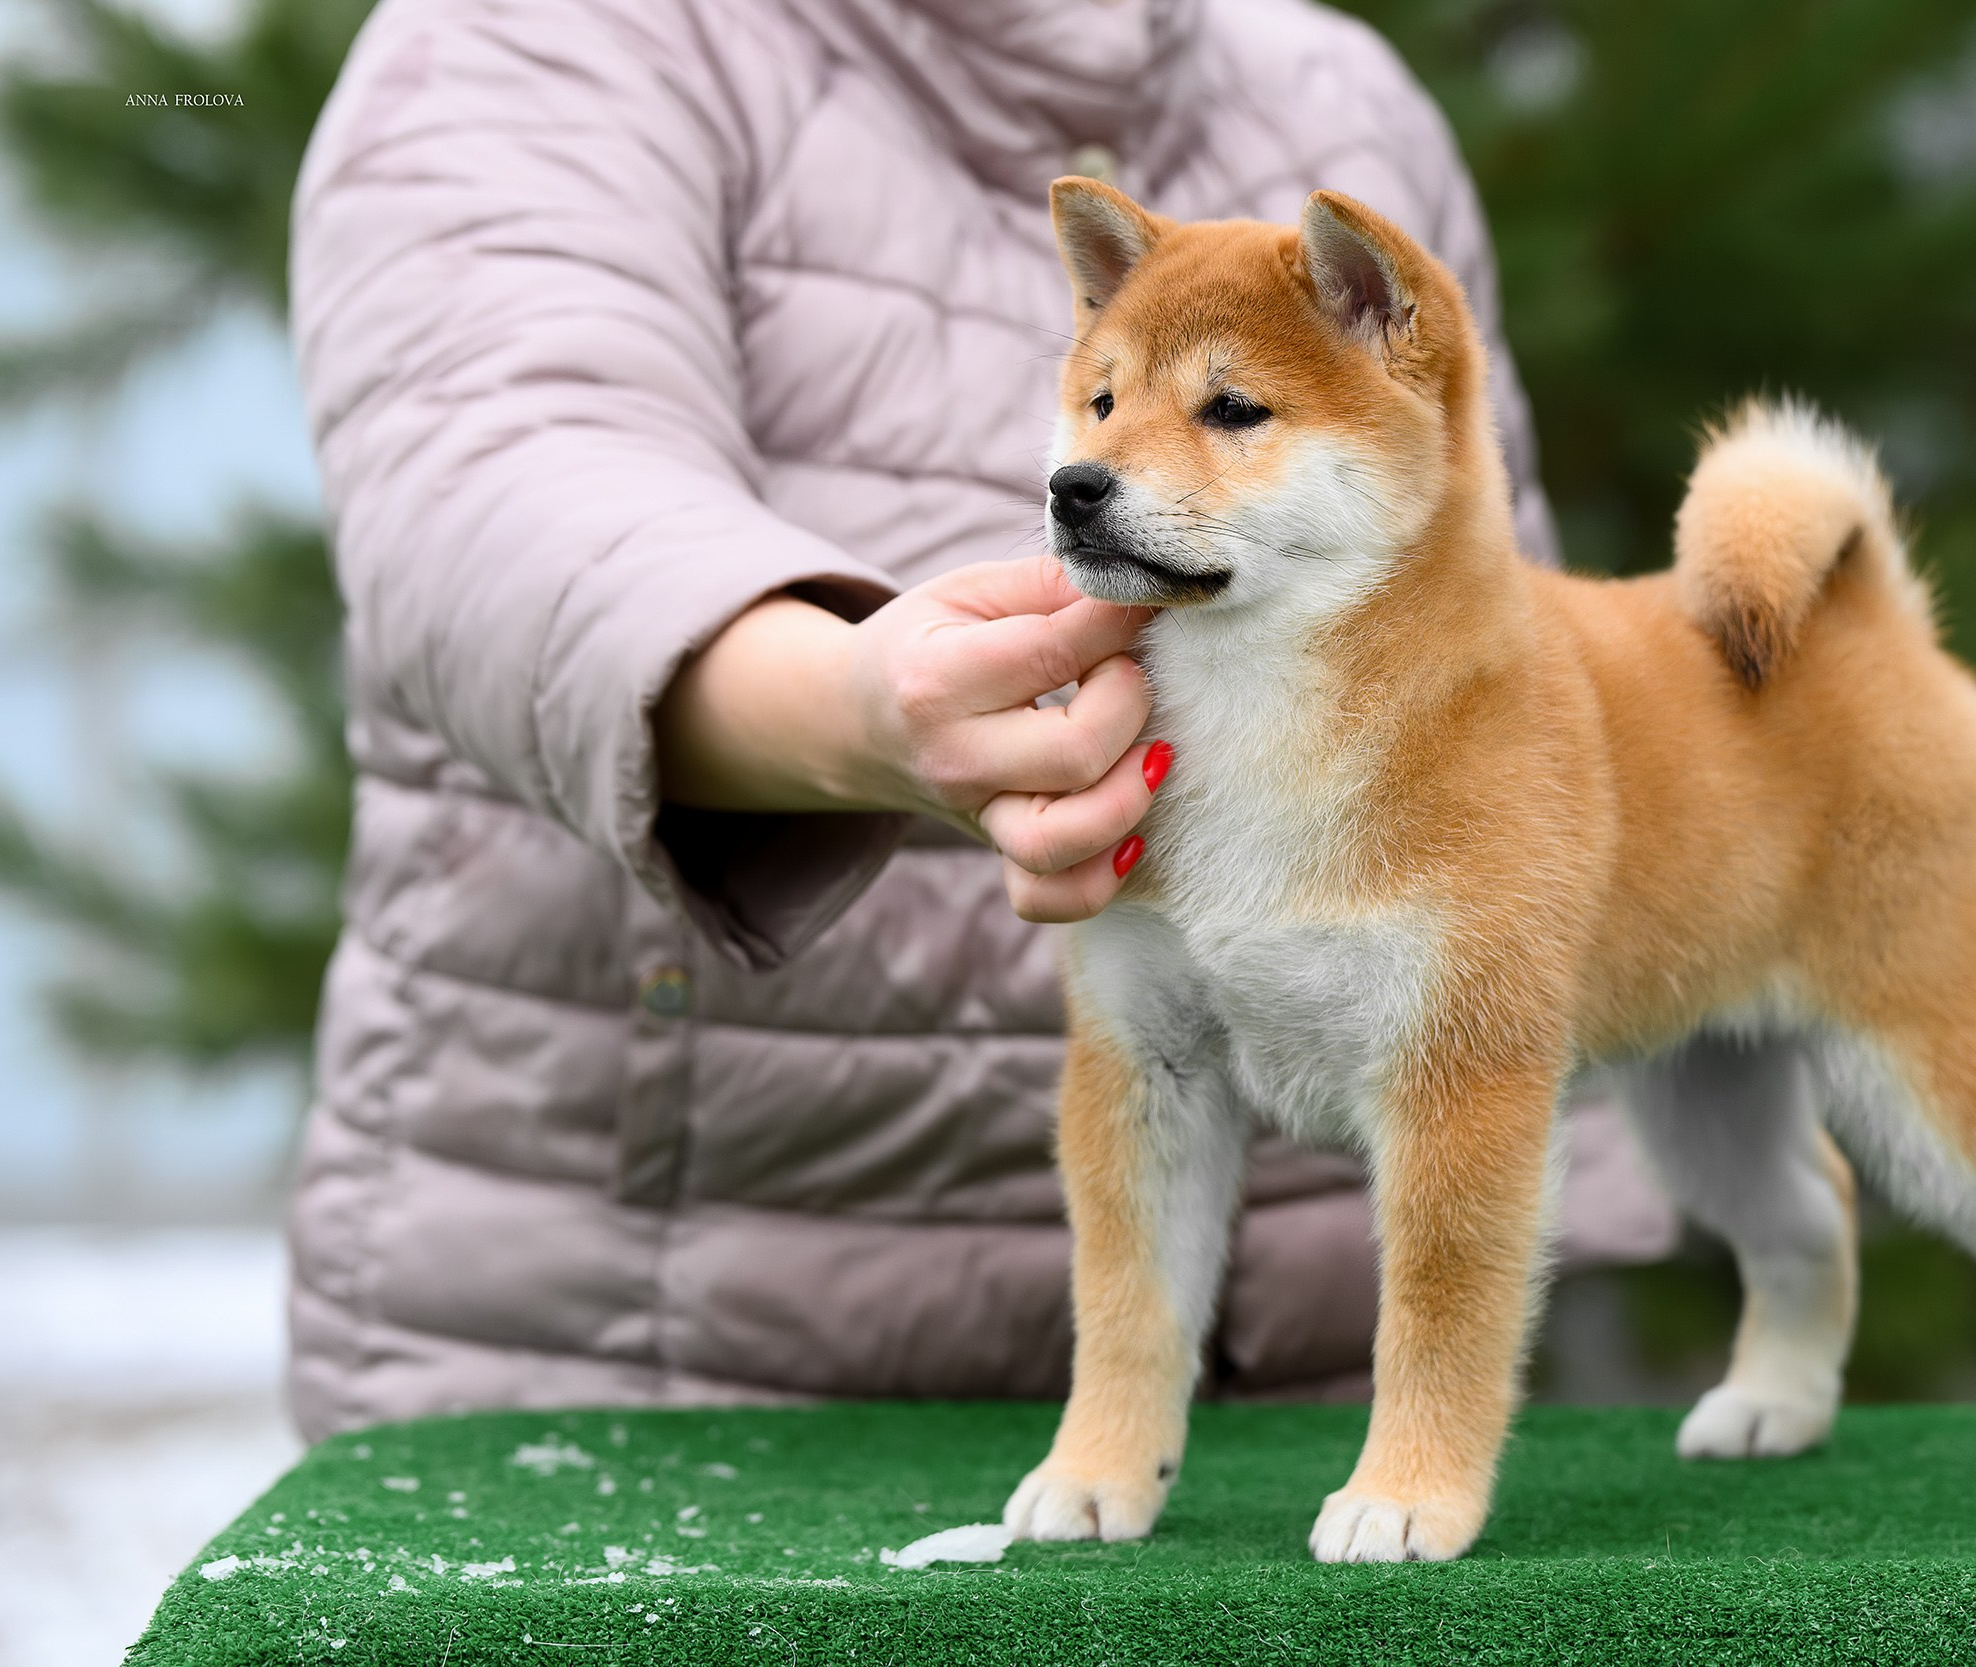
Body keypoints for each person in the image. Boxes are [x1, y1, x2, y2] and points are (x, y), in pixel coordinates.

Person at [283, 0, 1672, 1439]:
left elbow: (1491, 604)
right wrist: (840, 711)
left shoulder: (1328, 85)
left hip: (1309, 1372)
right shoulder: (543, 35)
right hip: (660, 1338)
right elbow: (496, 483)